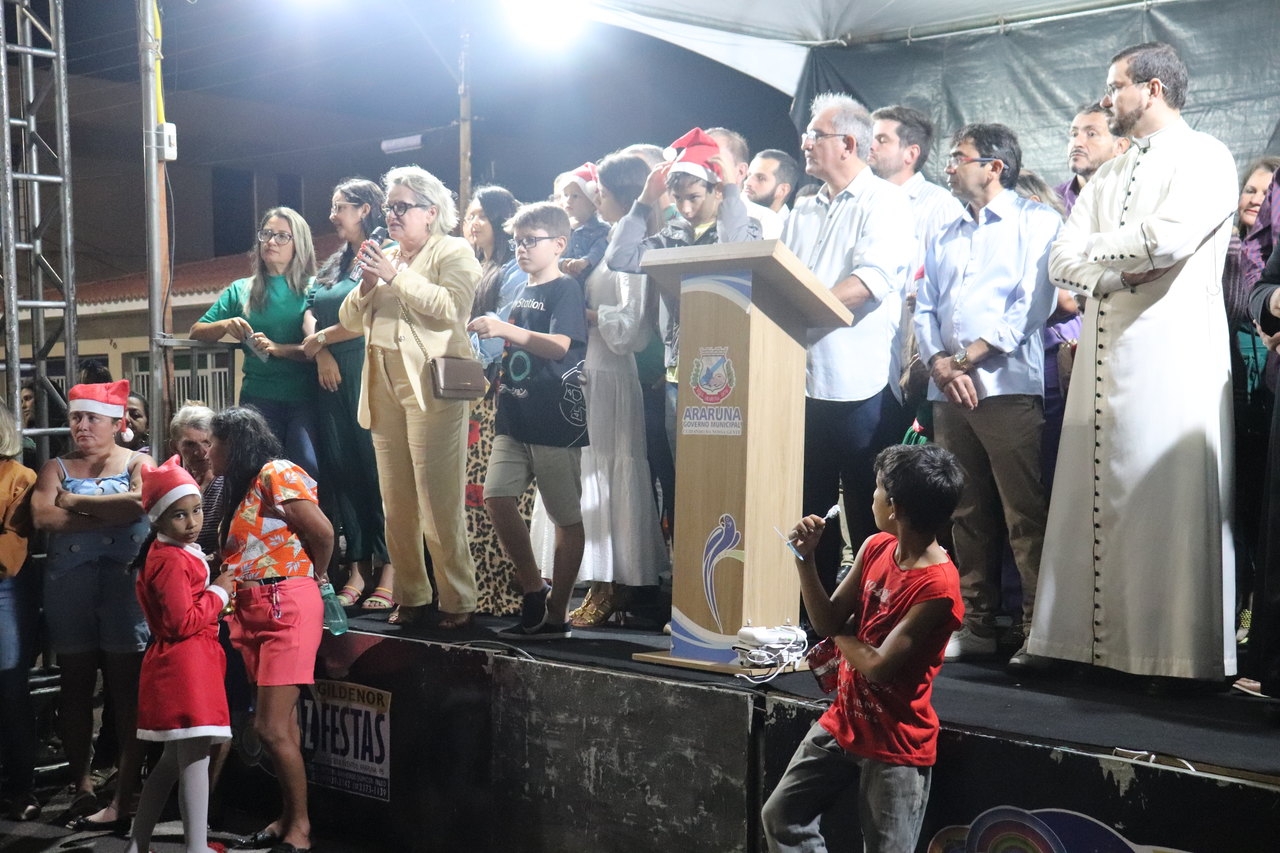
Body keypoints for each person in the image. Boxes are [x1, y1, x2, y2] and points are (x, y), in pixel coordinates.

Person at [1030, 42, 1238, 681]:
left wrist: (1094, 253)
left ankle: (1169, 657)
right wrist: (1117, 275)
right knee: (1092, 499)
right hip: (1103, 351)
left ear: (1152, 89)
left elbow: (1168, 237)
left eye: (1115, 85)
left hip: (1171, 356)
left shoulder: (1205, 155)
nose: (1106, 98)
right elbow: (1059, 259)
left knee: (1162, 503)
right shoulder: (1110, 173)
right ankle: (1089, 648)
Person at [761, 444, 964, 853]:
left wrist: (840, 633)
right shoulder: (875, 548)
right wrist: (805, 561)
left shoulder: (939, 585)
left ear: (894, 507)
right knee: (782, 816)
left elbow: (879, 666)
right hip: (845, 720)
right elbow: (827, 620)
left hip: (894, 742)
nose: (871, 496)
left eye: (877, 489)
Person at [915, 125, 1060, 669]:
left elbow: (1033, 304)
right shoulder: (945, 228)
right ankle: (977, 623)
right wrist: (939, 363)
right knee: (965, 510)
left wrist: (965, 359)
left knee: (1023, 512)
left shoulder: (1035, 220)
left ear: (995, 166)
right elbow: (924, 305)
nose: (949, 167)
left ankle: (1038, 631)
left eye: (959, 157)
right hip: (949, 390)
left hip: (1006, 387)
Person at [783, 92, 915, 593]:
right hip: (799, 380)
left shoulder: (886, 201)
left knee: (867, 511)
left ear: (848, 144)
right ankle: (813, 617)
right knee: (808, 509)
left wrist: (799, 310)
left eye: (815, 134)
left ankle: (872, 615)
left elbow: (868, 283)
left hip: (859, 384)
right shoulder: (803, 208)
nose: (805, 142)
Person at [338, 165, 480, 629]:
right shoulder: (387, 255)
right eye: (389, 207)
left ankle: (457, 599)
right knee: (395, 503)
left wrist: (394, 276)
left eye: (402, 206)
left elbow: (452, 308)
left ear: (431, 211)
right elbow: (351, 319)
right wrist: (366, 285)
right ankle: (413, 595)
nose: (392, 215)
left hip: (432, 387)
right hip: (381, 386)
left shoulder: (453, 250)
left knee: (438, 501)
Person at [530, 153, 669, 626]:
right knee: (580, 474)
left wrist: (584, 315)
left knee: (606, 477)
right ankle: (583, 578)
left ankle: (613, 583)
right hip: (582, 372)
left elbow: (633, 329)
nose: (598, 200)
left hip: (610, 374)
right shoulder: (601, 242)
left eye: (604, 193)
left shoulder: (633, 248)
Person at [30, 380, 154, 830]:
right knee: (75, 685)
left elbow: (140, 504)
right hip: (69, 589)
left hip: (124, 590)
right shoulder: (56, 466)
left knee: (127, 689)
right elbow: (43, 516)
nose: (81, 426)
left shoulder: (139, 462)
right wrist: (109, 511)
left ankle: (126, 784)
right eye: (76, 418)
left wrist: (78, 504)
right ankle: (81, 783)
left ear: (117, 423)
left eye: (91, 418)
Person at [604, 128, 761, 480]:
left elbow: (736, 250)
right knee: (684, 476)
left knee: (720, 473)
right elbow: (619, 257)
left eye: (694, 197)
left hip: (726, 368)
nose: (686, 208)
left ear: (717, 189)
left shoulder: (745, 226)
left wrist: (731, 190)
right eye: (678, 198)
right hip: (679, 370)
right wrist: (644, 201)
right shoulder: (670, 236)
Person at [211, 406, 331, 853]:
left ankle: (301, 829)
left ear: (235, 442)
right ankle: (288, 818)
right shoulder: (240, 488)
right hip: (252, 611)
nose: (208, 451)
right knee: (284, 728)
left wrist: (316, 575)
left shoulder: (275, 472)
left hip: (284, 605)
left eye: (214, 443)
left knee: (269, 727)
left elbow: (322, 532)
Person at [468, 201, 588, 639]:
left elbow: (559, 346)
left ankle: (557, 613)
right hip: (514, 413)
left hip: (554, 415)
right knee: (497, 498)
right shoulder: (520, 289)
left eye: (531, 241)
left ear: (559, 244)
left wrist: (503, 329)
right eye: (517, 241)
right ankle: (535, 588)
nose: (521, 248)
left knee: (564, 516)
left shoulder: (566, 288)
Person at [126, 455, 234, 853]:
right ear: (158, 519)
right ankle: (196, 847)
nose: (192, 522)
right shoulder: (170, 559)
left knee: (172, 762)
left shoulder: (170, 553)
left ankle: (138, 844)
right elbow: (180, 621)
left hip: (186, 662)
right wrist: (220, 592)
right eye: (179, 515)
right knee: (194, 759)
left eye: (197, 510)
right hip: (186, 666)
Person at [302, 178, 394, 611]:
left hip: (366, 368)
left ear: (365, 209)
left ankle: (392, 567)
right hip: (330, 376)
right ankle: (358, 568)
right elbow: (309, 306)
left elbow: (366, 317)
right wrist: (320, 351)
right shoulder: (337, 261)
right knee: (342, 470)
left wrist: (321, 340)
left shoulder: (382, 252)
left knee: (377, 470)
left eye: (340, 207)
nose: (333, 215)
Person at [190, 207, 320, 476]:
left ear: (299, 244)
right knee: (258, 473)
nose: (271, 241)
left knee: (306, 470)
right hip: (258, 399)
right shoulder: (241, 289)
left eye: (282, 236)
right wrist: (225, 324)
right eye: (266, 234)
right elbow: (197, 331)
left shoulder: (315, 288)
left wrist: (281, 349)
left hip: (304, 397)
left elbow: (320, 347)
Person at [464, 185, 531, 616]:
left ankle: (511, 590)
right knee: (471, 497)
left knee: (495, 494)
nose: (473, 223)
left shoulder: (513, 271)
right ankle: (480, 589)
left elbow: (498, 334)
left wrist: (468, 346)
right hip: (475, 392)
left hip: (499, 391)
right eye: (469, 215)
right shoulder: (479, 267)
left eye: (481, 216)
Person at [0, 407, 39, 821]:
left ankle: (20, 789)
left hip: (5, 591)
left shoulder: (20, 477)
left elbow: (9, 556)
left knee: (11, 689)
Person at [1054, 103, 1130, 215]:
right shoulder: (1051, 203)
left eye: (1091, 134)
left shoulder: (1138, 198)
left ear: (1120, 146)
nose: (1077, 143)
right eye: (1074, 134)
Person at [706, 126, 783, 238]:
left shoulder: (765, 220)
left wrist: (729, 189)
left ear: (741, 172)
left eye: (716, 162)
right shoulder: (685, 214)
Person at [556, 163, 610, 284]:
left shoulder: (602, 230)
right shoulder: (559, 229)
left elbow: (600, 249)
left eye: (575, 196)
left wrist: (585, 261)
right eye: (566, 195)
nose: (568, 200)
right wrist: (561, 263)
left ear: (592, 203)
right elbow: (551, 255)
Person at [744, 148, 800, 217]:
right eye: (748, 175)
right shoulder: (734, 213)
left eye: (760, 178)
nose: (747, 182)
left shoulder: (789, 224)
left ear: (782, 190)